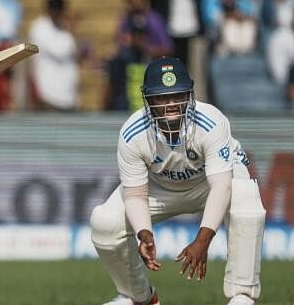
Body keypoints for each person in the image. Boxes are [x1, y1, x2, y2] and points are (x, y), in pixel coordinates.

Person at [90, 57, 265, 305]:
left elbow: (221, 187)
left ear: (189, 95)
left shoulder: (211, 121)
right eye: (161, 98)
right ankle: (140, 298)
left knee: (246, 195)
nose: (170, 104)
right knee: (104, 222)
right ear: (148, 100)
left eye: (177, 95)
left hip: (209, 183)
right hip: (161, 187)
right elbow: (136, 195)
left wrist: (203, 240)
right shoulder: (132, 133)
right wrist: (144, 233)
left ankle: (242, 295)